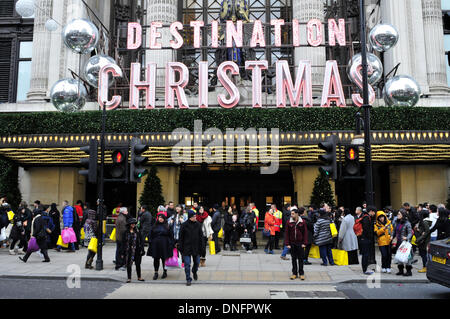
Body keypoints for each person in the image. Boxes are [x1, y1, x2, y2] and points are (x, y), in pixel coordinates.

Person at [179, 210, 203, 286]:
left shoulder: (198, 225)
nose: (195, 217)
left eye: (195, 216)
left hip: (196, 248)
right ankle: (188, 279)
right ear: (190, 217)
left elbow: (201, 237)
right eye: (193, 216)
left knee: (196, 262)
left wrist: (202, 248)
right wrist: (181, 248)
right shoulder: (184, 225)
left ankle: (194, 271)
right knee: (187, 264)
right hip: (186, 248)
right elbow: (181, 238)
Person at [148, 213, 174, 280]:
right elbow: (150, 234)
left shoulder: (167, 226)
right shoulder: (154, 225)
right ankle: (156, 272)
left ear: (164, 219)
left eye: (162, 218)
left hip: (164, 244)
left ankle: (165, 272)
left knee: (164, 259)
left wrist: (171, 243)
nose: (160, 219)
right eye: (159, 217)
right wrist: (150, 241)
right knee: (156, 259)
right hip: (155, 244)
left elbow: (171, 235)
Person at [285, 208, 308, 280]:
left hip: (300, 243)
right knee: (293, 259)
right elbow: (286, 234)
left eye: (293, 214)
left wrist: (305, 243)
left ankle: (301, 273)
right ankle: (294, 273)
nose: (291, 215)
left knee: (301, 259)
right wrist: (287, 244)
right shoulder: (289, 222)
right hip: (292, 243)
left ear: (297, 214)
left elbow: (305, 233)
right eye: (291, 214)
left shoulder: (302, 222)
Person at [122, 218, 145, 283]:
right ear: (129, 225)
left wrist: (142, 250)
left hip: (137, 250)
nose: (133, 225)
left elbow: (141, 241)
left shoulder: (137, 231)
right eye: (132, 224)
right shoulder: (126, 232)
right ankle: (129, 278)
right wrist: (122, 252)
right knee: (129, 264)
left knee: (138, 264)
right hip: (128, 250)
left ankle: (139, 277)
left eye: (134, 224)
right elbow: (123, 242)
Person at [392, 209, 413, 276]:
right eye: (398, 214)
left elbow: (410, 233)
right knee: (399, 256)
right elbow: (394, 231)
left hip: (405, 243)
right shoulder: (396, 222)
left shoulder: (407, 223)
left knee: (407, 257)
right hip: (398, 242)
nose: (397, 215)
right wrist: (392, 236)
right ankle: (400, 270)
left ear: (403, 215)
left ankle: (409, 271)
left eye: (399, 214)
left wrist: (406, 238)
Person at [360, 206, 376, 275]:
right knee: (365, 254)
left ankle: (365, 269)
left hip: (364, 238)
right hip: (365, 239)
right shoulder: (366, 218)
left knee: (365, 254)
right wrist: (370, 237)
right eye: (374, 212)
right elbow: (366, 229)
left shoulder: (365, 216)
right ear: (371, 211)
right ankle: (365, 269)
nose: (374, 214)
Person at [84, 205, 98, 269]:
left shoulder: (86, 221)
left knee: (89, 251)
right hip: (92, 238)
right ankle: (89, 263)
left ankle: (87, 263)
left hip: (86, 238)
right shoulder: (93, 222)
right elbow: (95, 230)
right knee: (93, 251)